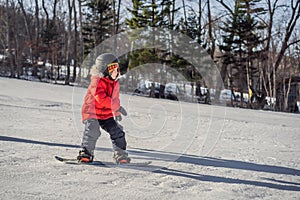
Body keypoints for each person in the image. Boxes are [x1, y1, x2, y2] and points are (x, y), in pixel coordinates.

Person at [77, 53, 130, 164]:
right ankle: (86, 152)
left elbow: (114, 99)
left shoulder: (115, 83)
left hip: (106, 114)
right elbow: (101, 98)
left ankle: (120, 154)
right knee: (92, 130)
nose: (115, 71)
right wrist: (118, 107)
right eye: (112, 68)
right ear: (104, 68)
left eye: (116, 67)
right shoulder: (96, 81)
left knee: (117, 131)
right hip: (92, 112)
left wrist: (116, 112)